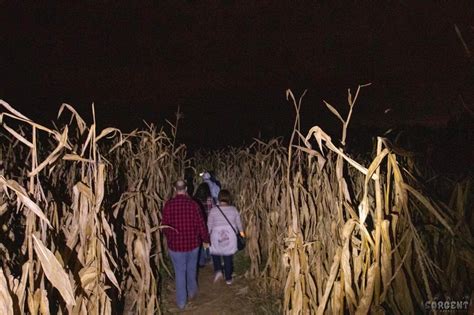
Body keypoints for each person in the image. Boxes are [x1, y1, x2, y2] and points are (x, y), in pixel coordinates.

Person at [162, 180, 210, 310]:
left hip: (176, 247)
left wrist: (171, 238)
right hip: (193, 245)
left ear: (174, 188)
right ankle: (193, 293)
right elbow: (201, 224)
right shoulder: (193, 204)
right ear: (187, 188)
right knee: (191, 269)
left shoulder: (169, 205)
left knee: (180, 273)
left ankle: (181, 303)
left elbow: (164, 227)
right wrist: (205, 240)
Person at [207, 189, 244, 285]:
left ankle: (218, 271)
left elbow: (209, 225)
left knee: (215, 252)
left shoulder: (213, 210)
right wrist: (242, 234)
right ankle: (228, 279)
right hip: (230, 234)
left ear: (219, 198)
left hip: (216, 234)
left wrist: (207, 236)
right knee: (228, 256)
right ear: (228, 198)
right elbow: (239, 224)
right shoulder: (233, 209)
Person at [193, 183, 213, 266]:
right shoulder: (209, 199)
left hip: (197, 223)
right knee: (208, 239)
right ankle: (208, 256)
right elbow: (212, 211)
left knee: (199, 241)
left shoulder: (194, 200)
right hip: (208, 222)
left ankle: (201, 261)